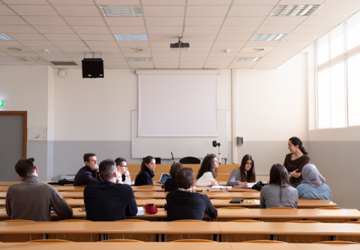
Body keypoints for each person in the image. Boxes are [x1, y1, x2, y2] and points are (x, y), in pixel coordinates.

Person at [6, 159, 73, 221]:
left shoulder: (12, 189)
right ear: (36, 168)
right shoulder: (49, 189)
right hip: (40, 232)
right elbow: (67, 212)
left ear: (20, 176)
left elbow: (9, 213)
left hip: (17, 233)